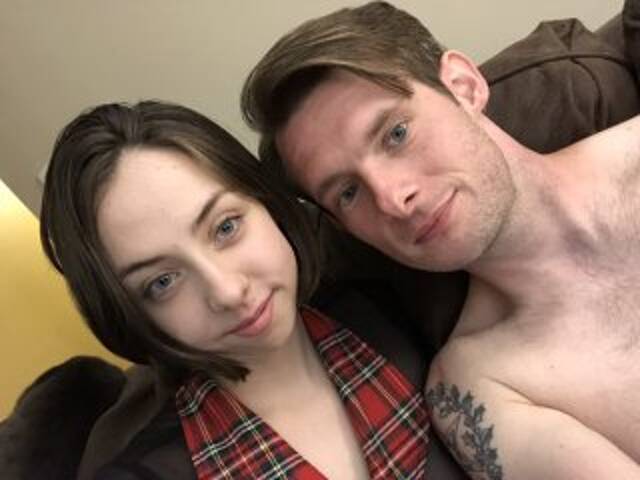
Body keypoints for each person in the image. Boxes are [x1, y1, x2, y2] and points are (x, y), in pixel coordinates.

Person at [240, 1, 640, 479]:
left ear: (463, 86)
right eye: (348, 192)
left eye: (396, 134)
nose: (392, 199)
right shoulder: (483, 387)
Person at [39, 100, 429, 479]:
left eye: (226, 227)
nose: (227, 292)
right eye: (163, 282)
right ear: (134, 315)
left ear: (266, 202)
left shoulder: (397, 298)